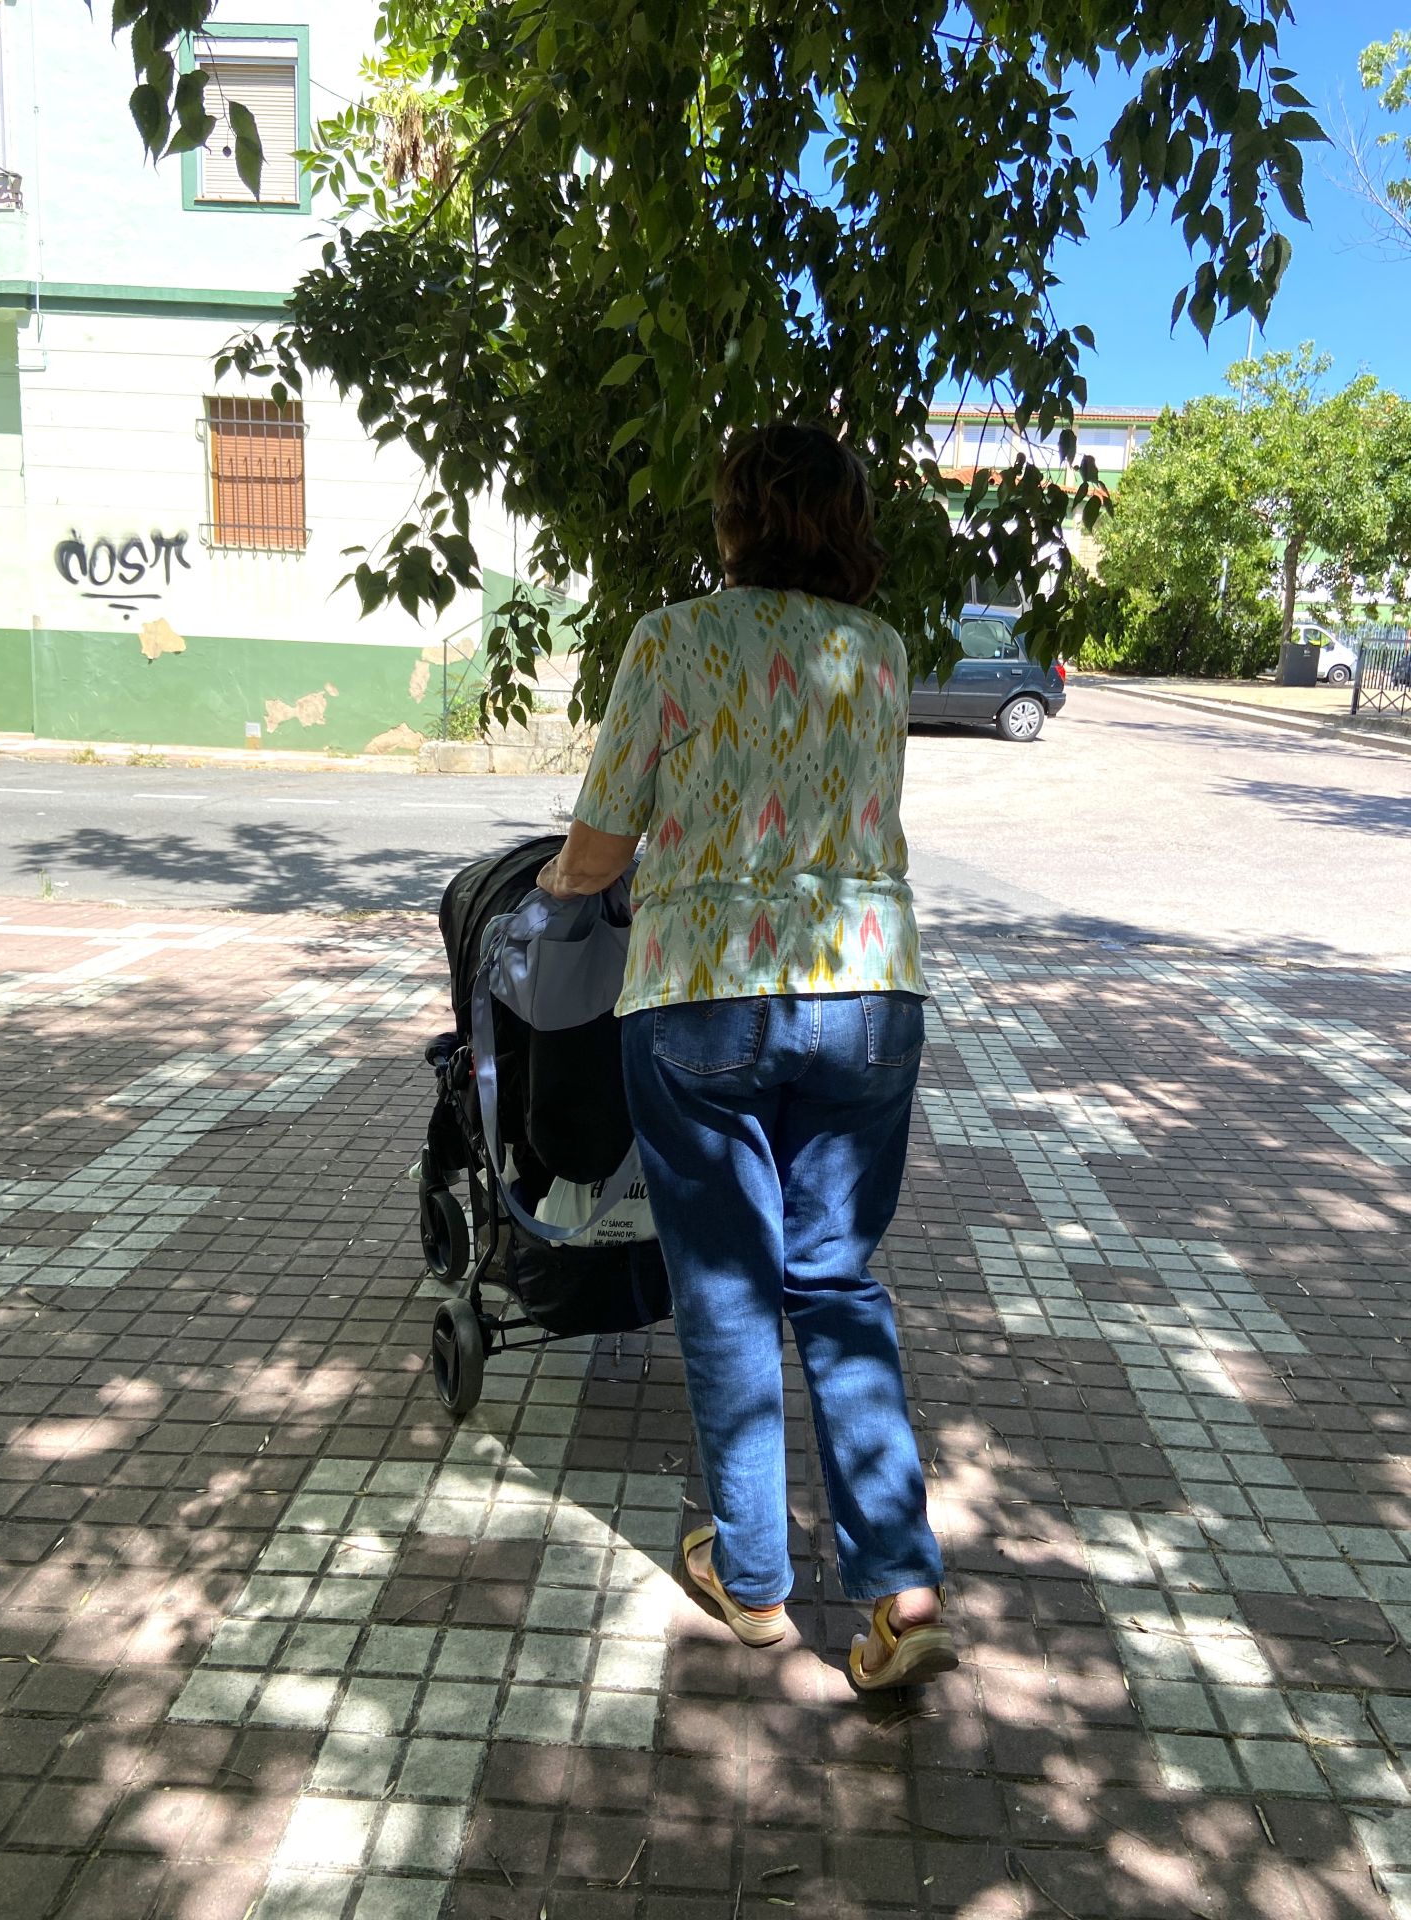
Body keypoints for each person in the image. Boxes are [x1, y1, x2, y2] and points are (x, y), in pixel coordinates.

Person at [536, 421, 953, 1689]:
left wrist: (562, 887)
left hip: (704, 996)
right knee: (837, 1279)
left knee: (725, 1287)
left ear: (734, 521)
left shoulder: (672, 640)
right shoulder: (878, 654)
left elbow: (602, 845)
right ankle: (901, 1588)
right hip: (870, 992)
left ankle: (757, 1583)